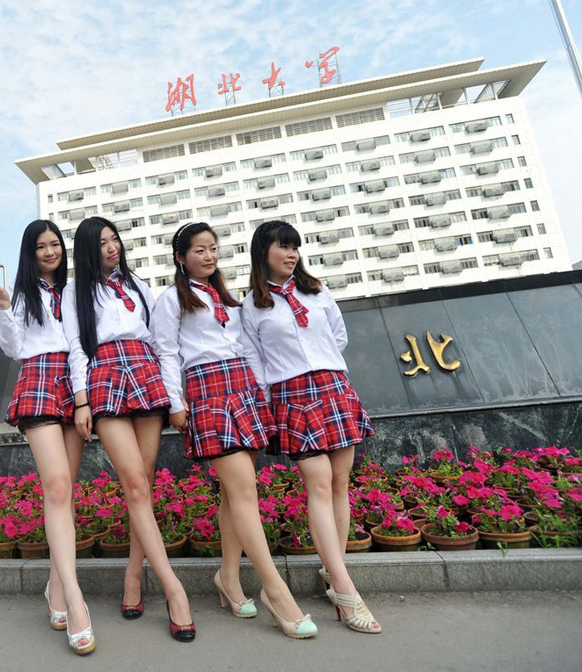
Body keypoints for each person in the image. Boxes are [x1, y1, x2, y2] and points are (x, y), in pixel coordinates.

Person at [151, 221, 317, 639]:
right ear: (180, 257)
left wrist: (260, 392)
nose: (209, 256)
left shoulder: (230, 298)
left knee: (233, 493)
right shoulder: (172, 299)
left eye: (213, 249)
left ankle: (228, 577)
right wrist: (175, 402)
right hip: (206, 391)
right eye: (199, 250)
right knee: (245, 490)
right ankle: (276, 591)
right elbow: (167, 353)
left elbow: (246, 348)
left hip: (242, 388)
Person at [241, 220, 381, 634]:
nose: (291, 254)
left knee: (340, 483)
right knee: (318, 484)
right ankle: (345, 589)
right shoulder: (251, 306)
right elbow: (253, 360)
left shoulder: (317, 291)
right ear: (263, 252)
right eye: (283, 247)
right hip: (292, 394)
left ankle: (332, 571)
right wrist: (272, 400)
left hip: (334, 385)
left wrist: (323, 371)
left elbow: (337, 336)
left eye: (295, 248)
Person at [62, 216, 196, 642]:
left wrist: (173, 395)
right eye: (101, 243)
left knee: (146, 485)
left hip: (145, 370)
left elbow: (159, 340)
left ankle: (133, 577)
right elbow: (77, 346)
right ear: (87, 249)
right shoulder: (74, 291)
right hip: (105, 376)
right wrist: (82, 400)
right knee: (135, 484)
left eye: (114, 239)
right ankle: (174, 591)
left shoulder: (137, 284)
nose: (111, 247)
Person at [0, 219, 95, 655]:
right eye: (41, 246)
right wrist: (4, 307)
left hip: (73, 383)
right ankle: (75, 600)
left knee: (66, 493)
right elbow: (13, 347)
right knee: (57, 486)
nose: (50, 251)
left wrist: (82, 399)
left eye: (55, 244)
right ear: (30, 252)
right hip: (39, 380)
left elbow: (80, 345)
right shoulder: (23, 294)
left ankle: (55, 587)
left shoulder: (75, 292)